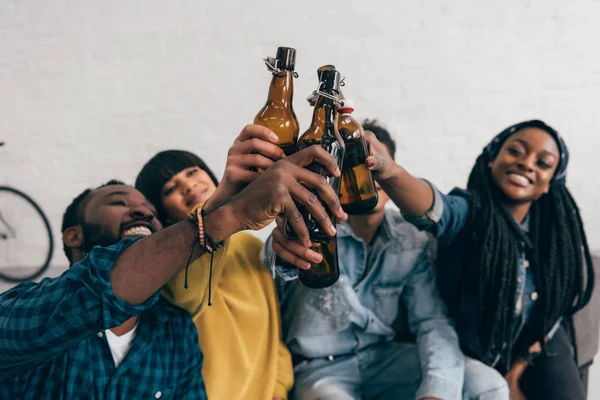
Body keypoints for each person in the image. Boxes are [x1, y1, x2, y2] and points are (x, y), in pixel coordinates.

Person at [0, 125, 347, 399]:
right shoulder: (26, 309)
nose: (140, 211)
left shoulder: (171, 333)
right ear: (73, 235)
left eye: (148, 211)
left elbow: (273, 330)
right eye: (119, 201)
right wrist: (228, 211)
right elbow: (104, 289)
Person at [266, 120, 508, 400]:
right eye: (354, 164)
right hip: (322, 370)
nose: (367, 175)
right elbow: (275, 264)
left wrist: (436, 391)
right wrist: (284, 246)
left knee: (488, 385)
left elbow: (431, 322)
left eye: (374, 165)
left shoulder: (410, 238)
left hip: (385, 359)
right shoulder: (309, 226)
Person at [357, 119, 593, 400]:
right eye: (515, 151)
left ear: (549, 184)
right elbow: (433, 208)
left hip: (533, 345)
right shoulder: (469, 212)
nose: (527, 163)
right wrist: (390, 171)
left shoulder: (553, 237)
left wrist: (516, 373)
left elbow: (555, 310)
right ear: (492, 160)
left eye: (543, 163)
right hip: (473, 347)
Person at [135, 132, 294, 399]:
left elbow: (273, 329)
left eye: (192, 171)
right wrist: (216, 214)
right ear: (161, 212)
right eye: (169, 189)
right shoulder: (166, 264)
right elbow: (189, 297)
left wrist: (279, 385)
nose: (187, 185)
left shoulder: (250, 246)